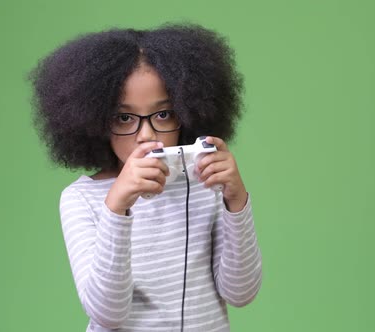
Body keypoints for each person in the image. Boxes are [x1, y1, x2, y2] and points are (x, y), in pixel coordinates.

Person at [29, 23, 262, 332]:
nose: (147, 134)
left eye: (163, 114)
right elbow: (107, 314)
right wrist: (116, 208)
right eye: (125, 118)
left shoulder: (207, 184)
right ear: (95, 121)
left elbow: (241, 293)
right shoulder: (82, 199)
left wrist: (237, 202)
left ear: (187, 112)